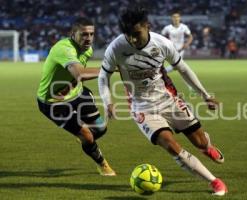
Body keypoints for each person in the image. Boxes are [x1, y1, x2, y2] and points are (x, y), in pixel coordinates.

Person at [98, 7, 228, 195]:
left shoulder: (162, 43)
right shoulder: (116, 47)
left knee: (199, 142)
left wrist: (205, 95)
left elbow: (183, 69)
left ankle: (207, 147)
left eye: (136, 34)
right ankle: (214, 181)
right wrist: (107, 102)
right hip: (142, 107)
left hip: (169, 100)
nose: (132, 39)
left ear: (147, 26)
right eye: (128, 35)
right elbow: (103, 77)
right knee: (171, 145)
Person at [37, 17, 116, 176]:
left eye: (91, 34)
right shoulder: (64, 49)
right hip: (54, 102)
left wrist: (70, 86)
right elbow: (80, 73)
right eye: (84, 34)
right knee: (87, 136)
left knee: (101, 128)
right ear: (73, 34)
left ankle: (85, 139)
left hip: (77, 93)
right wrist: (110, 68)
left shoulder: (88, 49)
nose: (88, 38)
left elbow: (76, 76)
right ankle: (103, 165)